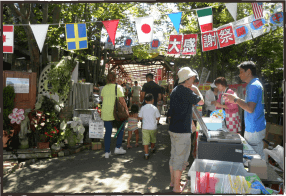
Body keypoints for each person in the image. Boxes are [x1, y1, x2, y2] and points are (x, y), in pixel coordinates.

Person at [168, 67, 203, 193]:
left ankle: (173, 182)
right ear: (187, 79)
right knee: (180, 159)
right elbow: (202, 102)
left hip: (173, 129)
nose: (194, 79)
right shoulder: (186, 90)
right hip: (182, 130)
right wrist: (196, 90)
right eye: (192, 77)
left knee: (174, 156)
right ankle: (177, 188)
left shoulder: (176, 90)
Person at [223, 61, 266, 160]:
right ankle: (259, 173)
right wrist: (236, 100)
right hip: (255, 126)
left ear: (249, 72)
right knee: (256, 157)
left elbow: (250, 108)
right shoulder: (253, 84)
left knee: (256, 159)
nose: (239, 74)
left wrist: (235, 99)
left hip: (254, 128)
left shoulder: (253, 86)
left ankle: (260, 174)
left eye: (241, 72)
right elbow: (248, 105)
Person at [101, 72, 129, 158]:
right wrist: (126, 110)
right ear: (115, 79)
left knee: (107, 132)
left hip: (105, 112)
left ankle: (107, 152)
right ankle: (118, 147)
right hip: (117, 113)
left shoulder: (104, 88)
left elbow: (102, 99)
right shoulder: (118, 87)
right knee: (120, 129)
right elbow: (122, 100)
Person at [138, 93, 160, 160]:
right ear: (153, 100)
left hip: (145, 127)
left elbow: (139, 117)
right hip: (153, 127)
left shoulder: (143, 108)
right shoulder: (155, 108)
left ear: (145, 101)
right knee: (153, 139)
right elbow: (158, 118)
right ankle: (152, 148)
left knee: (145, 141)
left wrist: (143, 118)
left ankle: (146, 154)